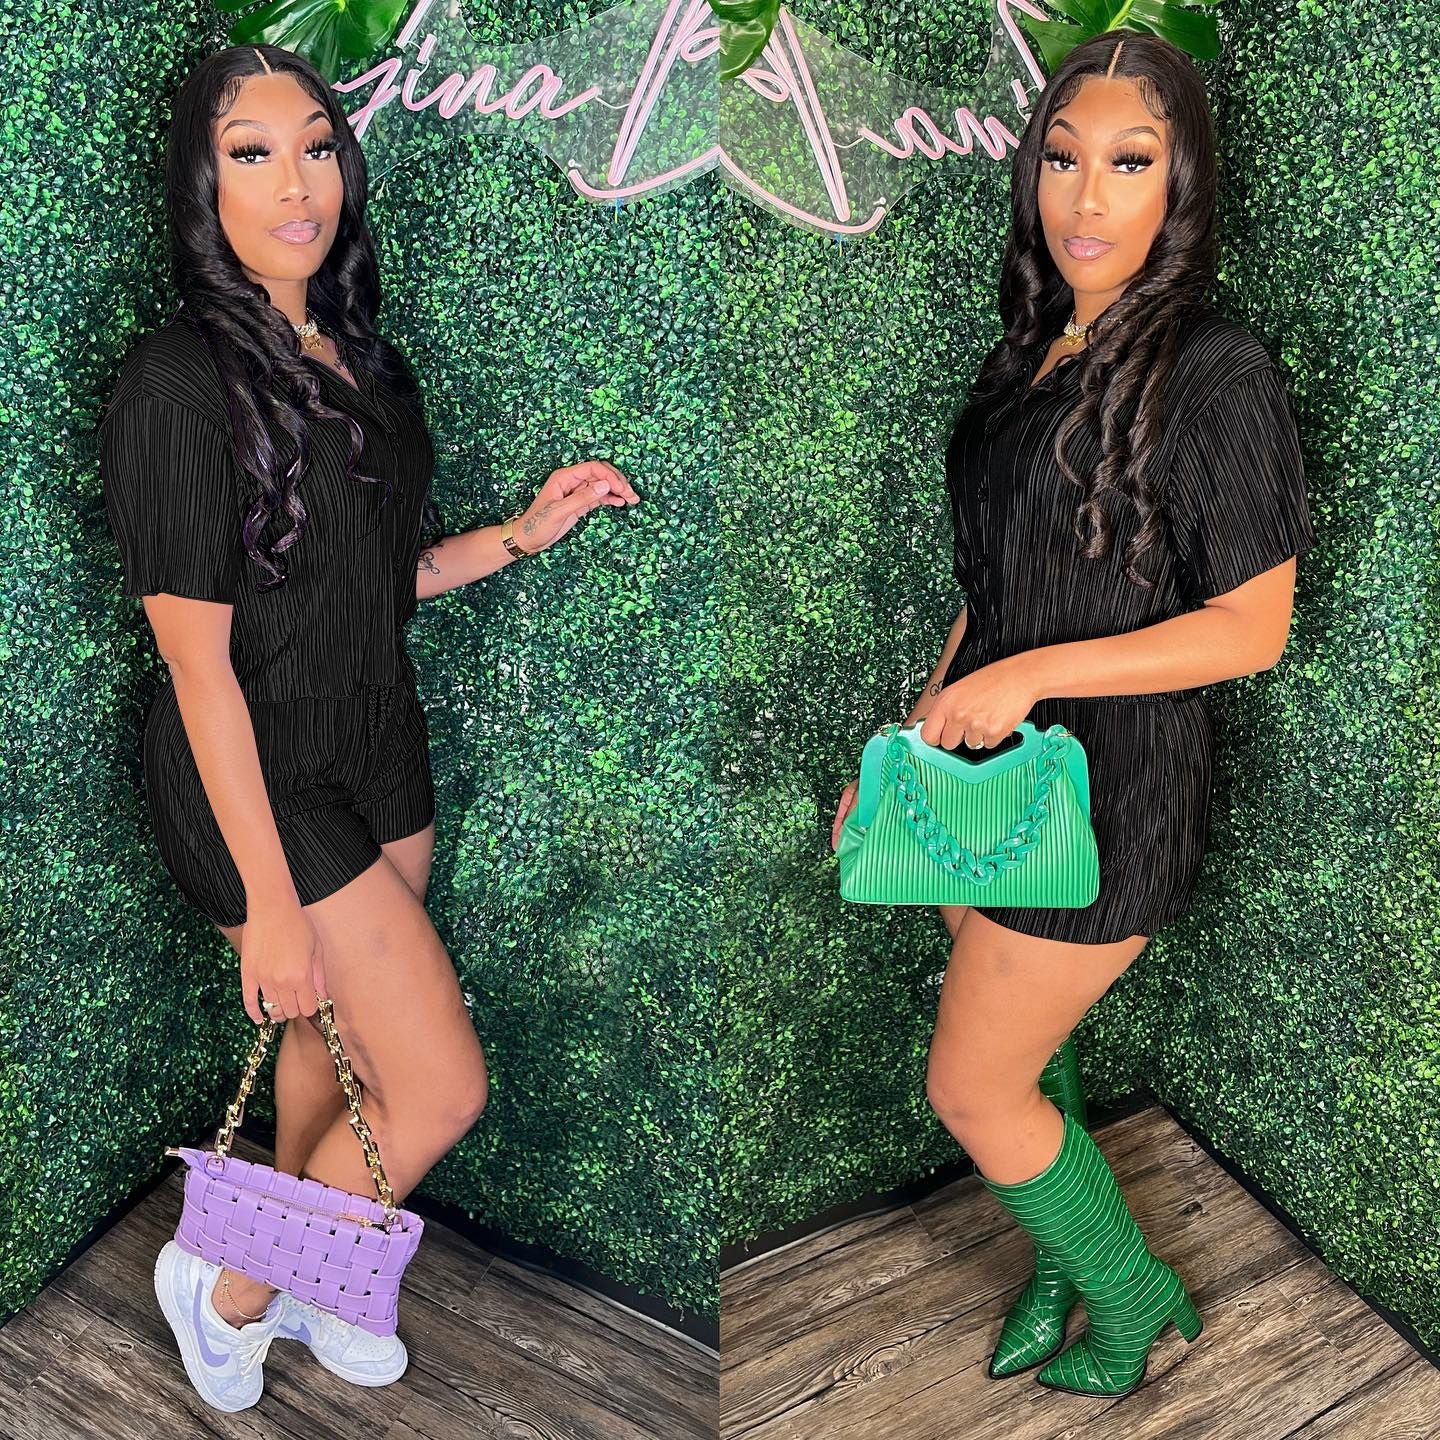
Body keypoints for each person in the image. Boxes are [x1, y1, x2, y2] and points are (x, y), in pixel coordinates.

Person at [98, 44, 640, 1413]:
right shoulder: (172, 382)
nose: (297, 183)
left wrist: (520, 537)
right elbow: (200, 671)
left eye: (317, 146)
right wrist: (270, 908)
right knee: (439, 1089)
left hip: (379, 743)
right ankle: (227, 1284)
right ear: (200, 182)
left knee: (327, 1056)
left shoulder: (359, 357)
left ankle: (316, 1278)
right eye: (252, 151)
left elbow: (368, 577)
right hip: (256, 768)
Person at [831, 31, 1316, 1399]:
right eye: (1062, 158)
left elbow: (1253, 628)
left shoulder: (1215, 367)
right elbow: (994, 591)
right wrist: (909, 752)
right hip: (986, 772)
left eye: (1130, 162)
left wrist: (1031, 678)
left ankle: (1130, 1290)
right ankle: (1061, 1251)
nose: (1087, 197)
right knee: (1023, 1058)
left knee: (973, 1089)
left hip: (1117, 784)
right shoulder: (1033, 350)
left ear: (1183, 185)